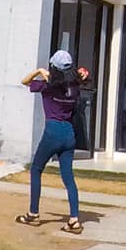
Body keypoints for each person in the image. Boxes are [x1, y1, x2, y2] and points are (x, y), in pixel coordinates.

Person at [19, 50, 91, 233]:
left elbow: (24, 82)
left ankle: (33, 213)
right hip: (69, 133)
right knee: (68, 177)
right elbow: (82, 75)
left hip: (52, 131)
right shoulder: (75, 86)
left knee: (36, 169)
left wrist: (38, 71)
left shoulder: (48, 85)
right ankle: (74, 219)